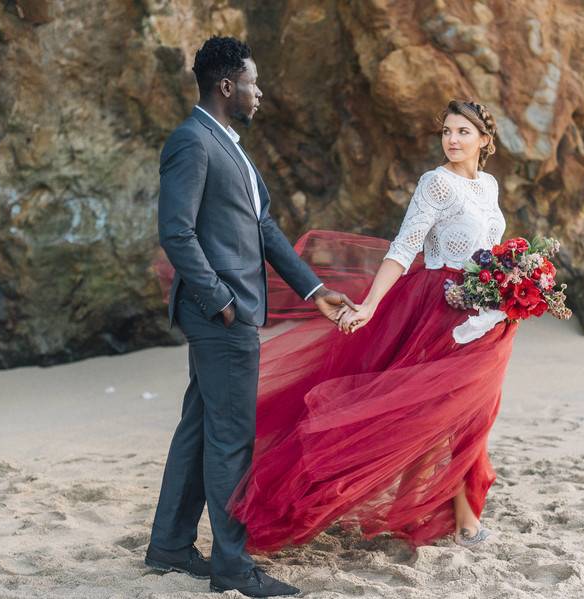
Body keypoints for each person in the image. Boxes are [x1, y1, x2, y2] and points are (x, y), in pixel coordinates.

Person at [228, 99, 516, 559]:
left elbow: (490, 248)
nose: (452, 139)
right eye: (446, 131)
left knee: (470, 413)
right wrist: (370, 305)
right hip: (437, 310)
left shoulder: (488, 184)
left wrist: (513, 284)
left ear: (485, 140)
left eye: (463, 131)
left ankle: (447, 510)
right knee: (435, 411)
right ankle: (465, 520)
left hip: (484, 312)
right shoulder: (436, 184)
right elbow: (404, 248)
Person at [145, 36, 355, 597]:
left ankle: (168, 544)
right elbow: (176, 231)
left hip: (227, 313)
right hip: (221, 317)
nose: (260, 92)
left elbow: (263, 229)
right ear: (226, 86)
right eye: (254, 83)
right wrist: (219, 300)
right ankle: (233, 567)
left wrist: (315, 290)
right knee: (232, 438)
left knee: (199, 427)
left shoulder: (229, 144)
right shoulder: (191, 142)